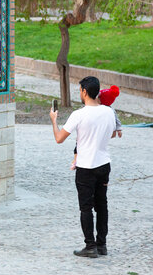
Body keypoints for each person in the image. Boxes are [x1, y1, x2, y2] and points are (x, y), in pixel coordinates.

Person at [50, 76, 117, 258]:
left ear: (85, 92)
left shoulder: (78, 115)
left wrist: (54, 120)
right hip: (104, 164)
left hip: (86, 167)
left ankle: (90, 246)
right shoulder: (108, 112)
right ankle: (102, 245)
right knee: (102, 205)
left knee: (86, 208)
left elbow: (59, 138)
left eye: (80, 90)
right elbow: (111, 134)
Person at [71, 85, 122, 170]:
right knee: (77, 147)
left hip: (97, 139)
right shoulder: (95, 108)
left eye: (99, 98)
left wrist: (119, 129)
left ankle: (77, 161)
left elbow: (117, 121)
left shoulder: (109, 111)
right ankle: (75, 160)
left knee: (82, 147)